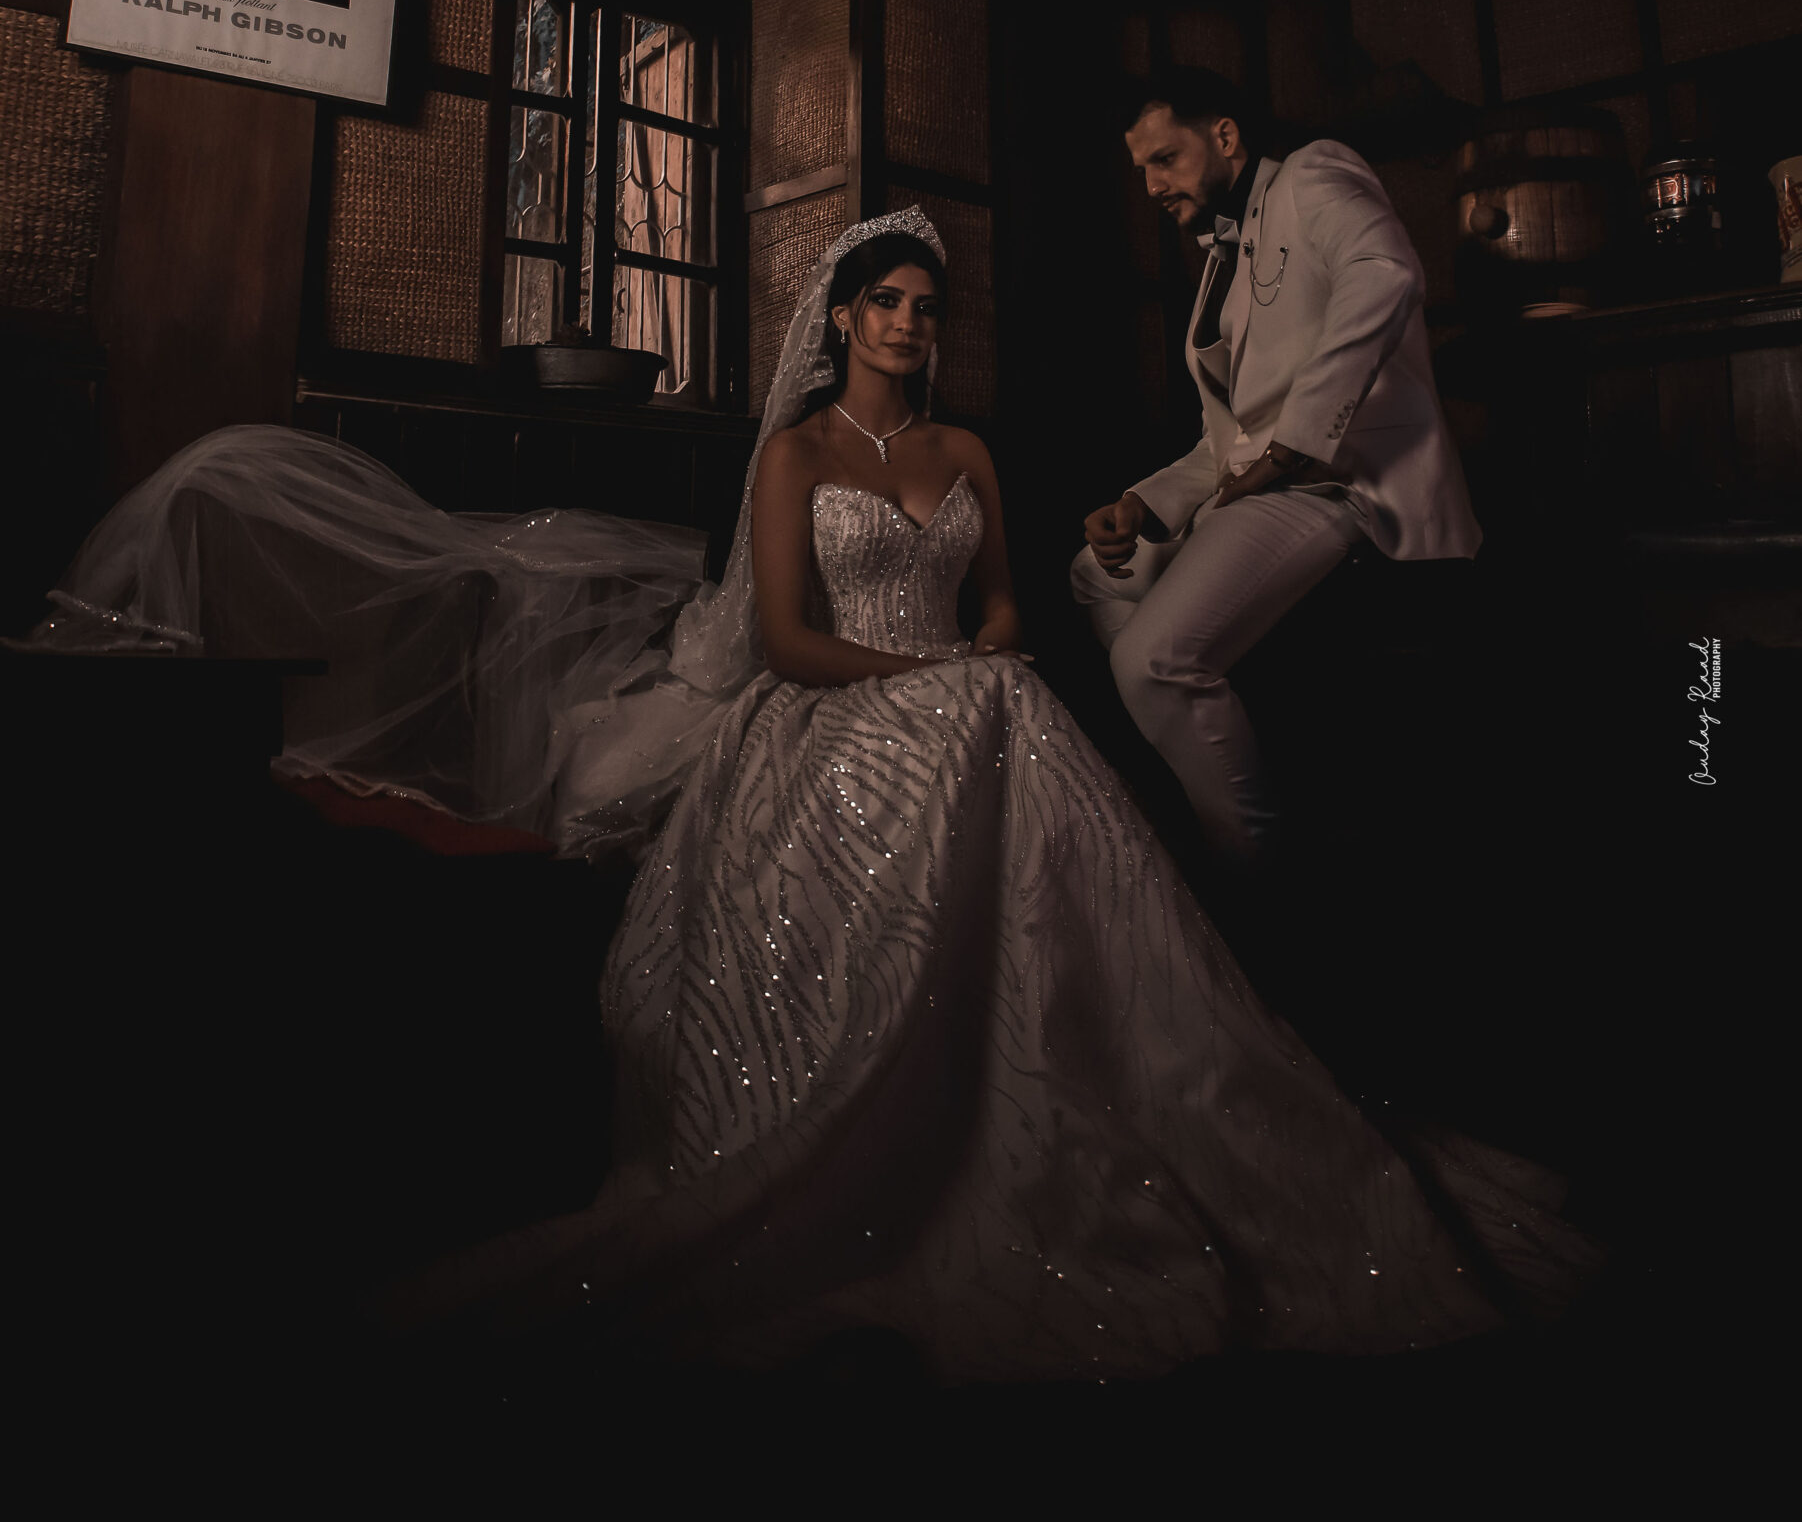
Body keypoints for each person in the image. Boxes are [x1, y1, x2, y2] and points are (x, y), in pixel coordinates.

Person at [45, 210, 1597, 1381]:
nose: (912, 323)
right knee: (978, 713)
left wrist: (981, 646)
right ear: (842, 318)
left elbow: (1003, 604)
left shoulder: (967, 447)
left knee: (1005, 701)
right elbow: (786, 640)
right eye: (888, 302)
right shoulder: (794, 456)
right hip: (822, 709)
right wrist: (925, 674)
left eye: (927, 306)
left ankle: (1090, 1054)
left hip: (957, 690)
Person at [1074, 75, 1479, 870]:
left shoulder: (1314, 173)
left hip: (1344, 481)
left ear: (1225, 137)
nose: (1151, 185)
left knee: (1150, 664)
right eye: (1141, 170)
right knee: (1093, 573)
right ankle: (1205, 759)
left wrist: (1292, 447)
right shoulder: (1218, 261)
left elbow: (1385, 272)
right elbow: (1224, 440)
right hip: (1263, 485)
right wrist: (1141, 504)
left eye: (1165, 158)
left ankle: (1250, 866)